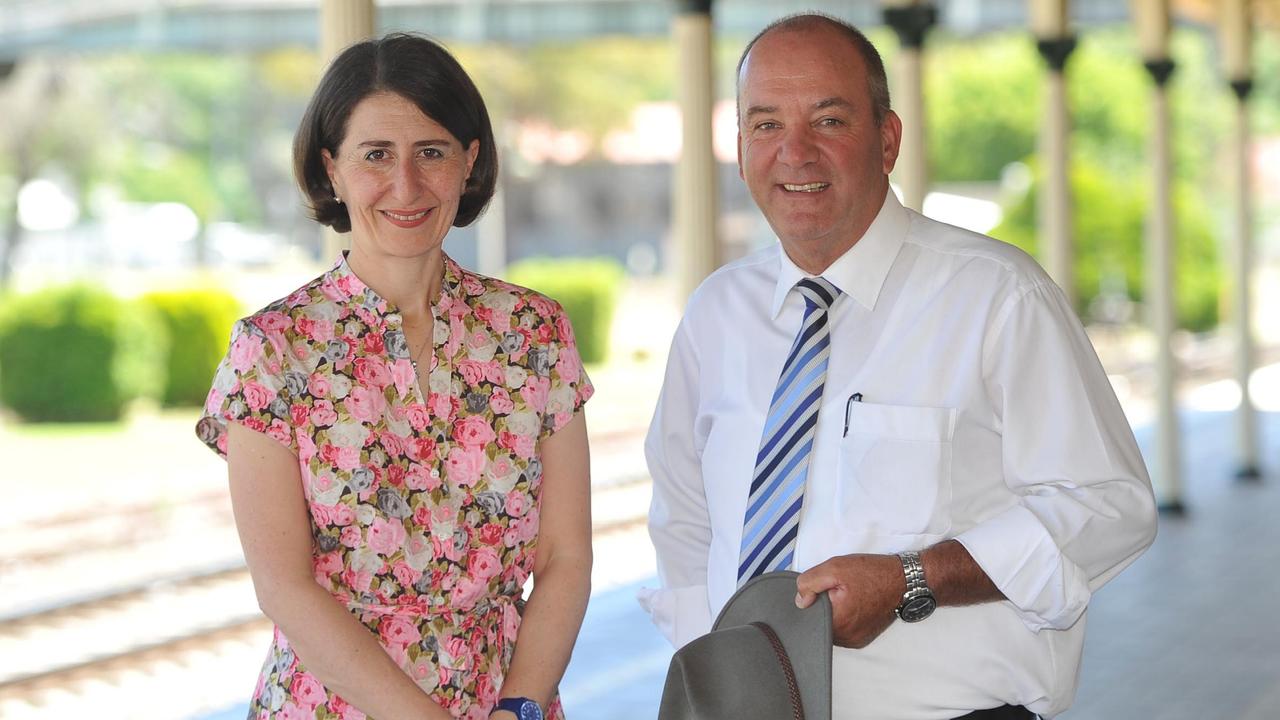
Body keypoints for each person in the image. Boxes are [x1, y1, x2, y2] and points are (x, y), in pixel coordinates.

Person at [641, 13, 1158, 720]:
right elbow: (684, 521)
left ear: (887, 140)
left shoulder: (998, 296)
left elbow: (1110, 505)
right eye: (765, 125)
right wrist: (720, 676)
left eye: (828, 120)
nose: (795, 153)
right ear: (738, 149)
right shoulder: (715, 316)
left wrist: (916, 577)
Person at [196, 33, 593, 720]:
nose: (406, 186)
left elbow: (566, 556)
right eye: (376, 155)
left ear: (470, 162)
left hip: (504, 702)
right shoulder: (271, 350)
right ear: (332, 170)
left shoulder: (534, 332)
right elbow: (284, 587)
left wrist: (518, 706)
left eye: (431, 153)